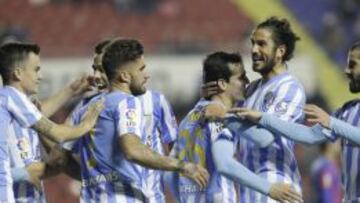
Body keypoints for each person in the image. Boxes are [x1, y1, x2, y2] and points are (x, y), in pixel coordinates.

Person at [69, 38, 208, 202]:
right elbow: (133, 150)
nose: (97, 76)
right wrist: (183, 166)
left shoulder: (87, 107)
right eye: (142, 69)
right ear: (124, 75)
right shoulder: (126, 102)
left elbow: (58, 146)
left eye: (101, 70)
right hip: (128, 197)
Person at [230, 40, 360, 202]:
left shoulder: (337, 120)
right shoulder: (346, 112)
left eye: (353, 65)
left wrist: (332, 122)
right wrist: (264, 118)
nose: (347, 71)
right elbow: (309, 136)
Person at [167, 51, 302, 203]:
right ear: (223, 84)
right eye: (241, 77)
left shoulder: (188, 118)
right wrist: (270, 188)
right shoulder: (218, 117)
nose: (247, 81)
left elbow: (169, 174)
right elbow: (224, 163)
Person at [0, 42, 103, 202]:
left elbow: (38, 115)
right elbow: (58, 134)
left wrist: (70, 91)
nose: (40, 76)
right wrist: (88, 122)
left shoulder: (12, 104)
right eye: (36, 70)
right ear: (18, 73)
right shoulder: (11, 96)